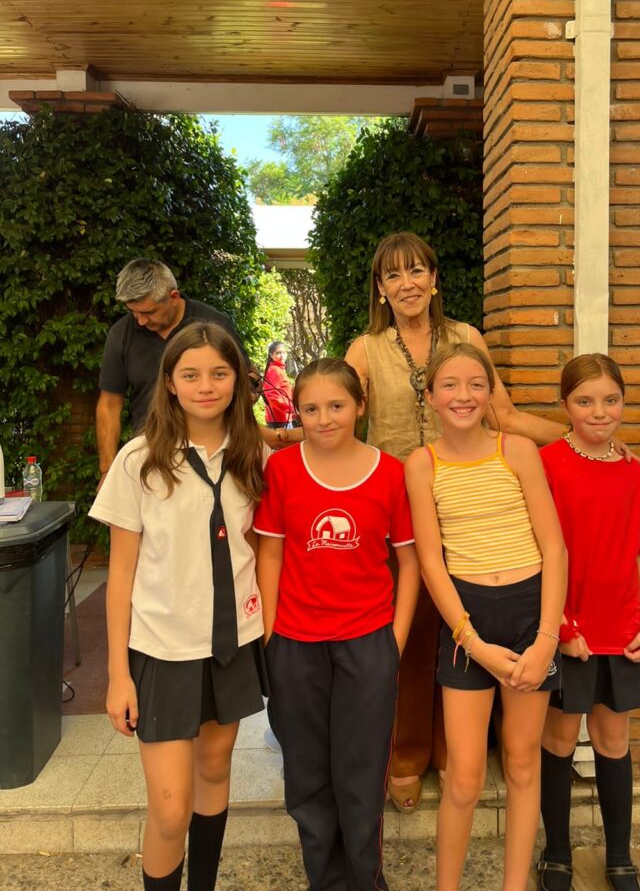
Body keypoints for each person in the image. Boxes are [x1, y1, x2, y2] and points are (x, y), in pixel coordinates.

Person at [345, 232, 567, 813]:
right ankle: (407, 754)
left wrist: (582, 440)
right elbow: (340, 418)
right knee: (415, 635)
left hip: (468, 505)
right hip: (399, 508)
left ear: (435, 278)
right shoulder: (365, 350)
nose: (407, 284)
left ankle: (454, 754)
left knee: (462, 626)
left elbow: (505, 414)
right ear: (380, 288)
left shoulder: (466, 339)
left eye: (417, 270)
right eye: (393, 275)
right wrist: (279, 442)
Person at [90, 322, 268, 891]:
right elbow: (120, 573)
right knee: (169, 810)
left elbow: (261, 550)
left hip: (232, 643)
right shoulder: (139, 460)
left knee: (214, 773)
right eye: (190, 375)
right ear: (169, 382)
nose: (206, 386)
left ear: (238, 379)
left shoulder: (256, 456)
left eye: (219, 373)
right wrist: (118, 675)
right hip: (163, 650)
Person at [405, 343, 567, 891]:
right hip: (466, 622)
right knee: (464, 776)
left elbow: (554, 548)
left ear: (491, 393)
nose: (464, 395)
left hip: (529, 615)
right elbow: (431, 561)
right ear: (430, 396)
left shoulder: (516, 451)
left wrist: (546, 639)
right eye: (450, 385)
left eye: (477, 384)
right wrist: (471, 642)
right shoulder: (421, 464)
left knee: (522, 763)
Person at [254, 357, 420, 891]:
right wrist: (271, 635)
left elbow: (410, 562)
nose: (323, 419)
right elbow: (270, 554)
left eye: (336, 406)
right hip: (295, 644)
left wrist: (393, 642)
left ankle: (365, 881)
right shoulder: (282, 470)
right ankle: (324, 881)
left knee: (361, 775)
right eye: (310, 409)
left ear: (360, 406)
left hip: (367, 643)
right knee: (306, 778)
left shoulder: (389, 473)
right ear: (296, 412)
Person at [536, 354, 640, 891]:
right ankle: (556, 853)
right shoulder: (545, 464)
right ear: (564, 405)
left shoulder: (635, 474)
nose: (599, 411)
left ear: (623, 402)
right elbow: (538, 552)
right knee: (560, 739)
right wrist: (561, 627)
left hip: (622, 631)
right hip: (568, 629)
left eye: (611, 400)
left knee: (614, 740)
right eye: (585, 400)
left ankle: (619, 856)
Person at [97, 258, 295, 482]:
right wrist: (107, 471)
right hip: (150, 458)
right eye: (134, 312)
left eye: (149, 312)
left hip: (217, 458)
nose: (141, 321)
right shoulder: (122, 333)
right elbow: (109, 404)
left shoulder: (215, 325)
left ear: (173, 297)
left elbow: (243, 386)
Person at [262, 341, 295, 429]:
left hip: (282, 417)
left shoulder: (279, 369)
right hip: (279, 418)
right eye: (278, 353)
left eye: (284, 352)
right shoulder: (274, 370)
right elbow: (272, 395)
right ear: (271, 355)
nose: (282, 356)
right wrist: (290, 408)